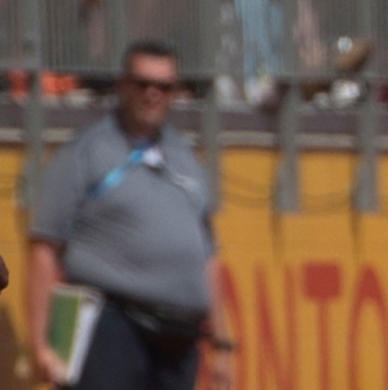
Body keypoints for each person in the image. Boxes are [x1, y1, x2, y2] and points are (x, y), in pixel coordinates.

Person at [27, 39, 234, 390]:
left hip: (178, 339)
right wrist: (40, 345)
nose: (153, 94)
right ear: (122, 86)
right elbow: (45, 246)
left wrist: (224, 345)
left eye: (164, 86)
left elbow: (206, 258)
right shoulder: (87, 151)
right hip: (112, 329)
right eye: (143, 84)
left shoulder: (185, 157)